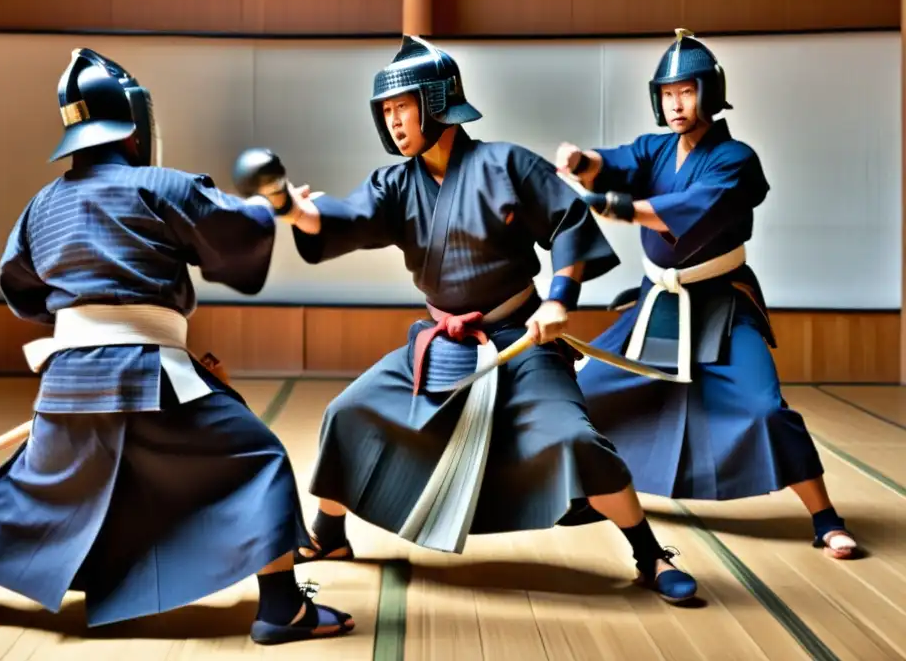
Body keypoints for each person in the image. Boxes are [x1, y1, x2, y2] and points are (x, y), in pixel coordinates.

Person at [0, 48, 355, 645]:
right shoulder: (158, 186)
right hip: (149, 373)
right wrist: (267, 206)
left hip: (68, 380)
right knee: (257, 461)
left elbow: (20, 289)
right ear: (135, 127)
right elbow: (233, 229)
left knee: (39, 477)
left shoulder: (40, 207)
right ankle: (282, 608)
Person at [276, 35, 699, 603]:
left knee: (575, 437)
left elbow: (570, 223)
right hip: (443, 343)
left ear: (435, 102)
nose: (393, 121)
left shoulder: (505, 164)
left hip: (522, 339)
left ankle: (649, 554)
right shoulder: (395, 184)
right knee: (348, 412)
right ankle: (329, 535)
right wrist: (300, 212)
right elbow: (348, 216)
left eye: (402, 106)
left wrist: (556, 301)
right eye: (386, 110)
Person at [558, 28, 857, 560]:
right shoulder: (656, 149)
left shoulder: (735, 159)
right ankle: (589, 492)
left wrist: (616, 208)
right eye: (668, 94)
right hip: (658, 303)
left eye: (687, 92)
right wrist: (581, 162)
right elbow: (618, 162)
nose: (677, 104)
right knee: (584, 394)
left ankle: (824, 515)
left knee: (764, 409)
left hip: (721, 302)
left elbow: (691, 209)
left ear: (709, 93)